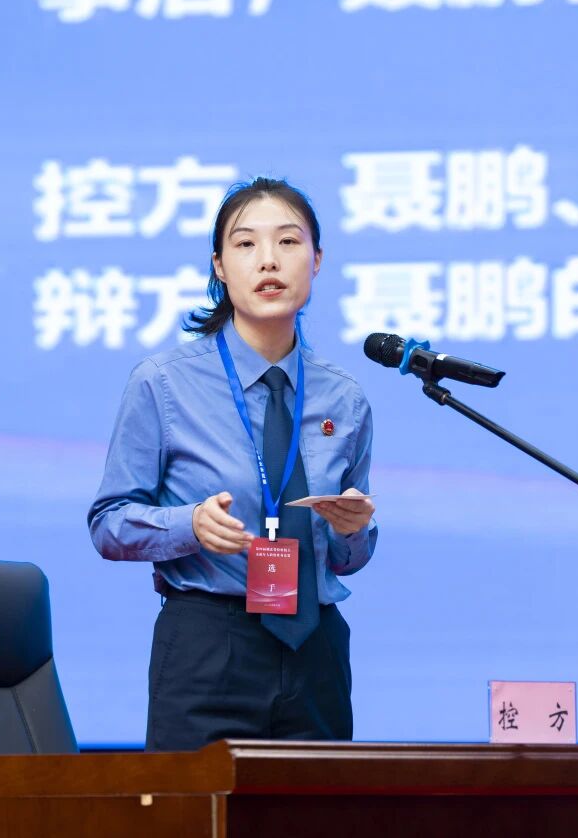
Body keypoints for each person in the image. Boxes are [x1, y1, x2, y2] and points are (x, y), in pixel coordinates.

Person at [88, 177, 377, 752]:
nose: (269, 260)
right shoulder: (164, 384)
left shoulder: (343, 398)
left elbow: (349, 559)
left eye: (288, 242)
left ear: (317, 260)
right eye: (246, 244)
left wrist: (352, 530)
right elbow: (108, 523)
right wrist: (189, 525)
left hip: (315, 649)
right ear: (219, 266)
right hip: (208, 645)